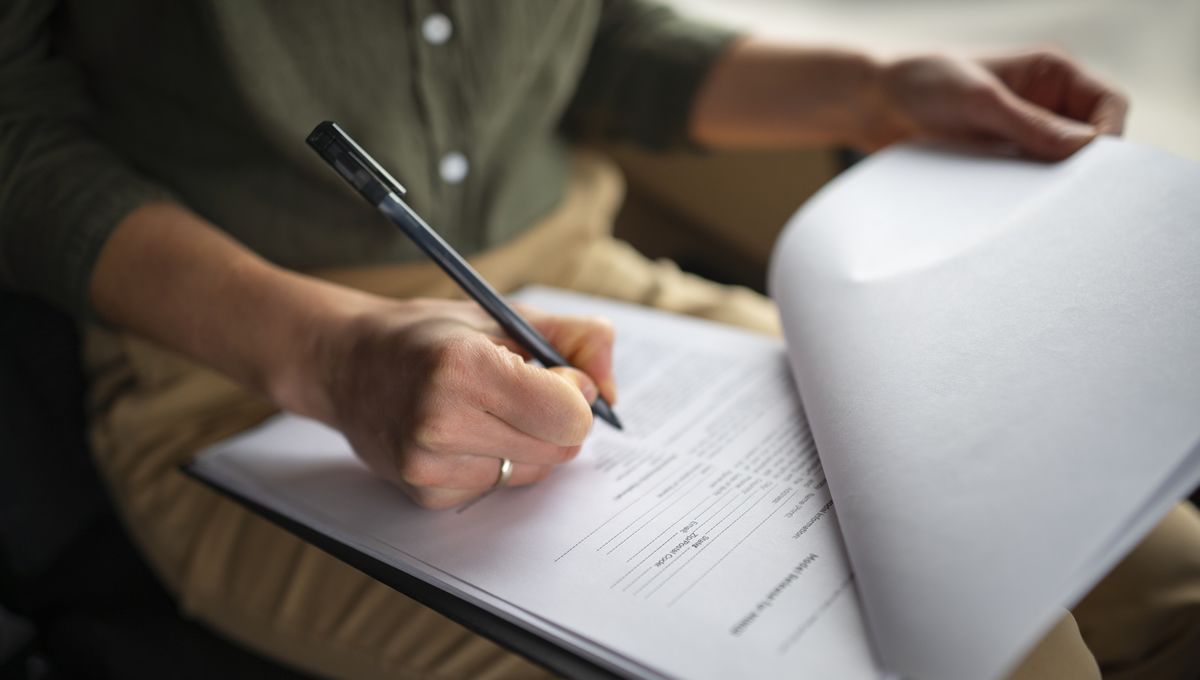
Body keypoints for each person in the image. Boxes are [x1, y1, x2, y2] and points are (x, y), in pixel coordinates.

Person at [2, 1, 1197, 678]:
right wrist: (333, 357)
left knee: (1165, 569)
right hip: (241, 368)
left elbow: (593, 39)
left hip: (595, 295)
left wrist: (874, 91)